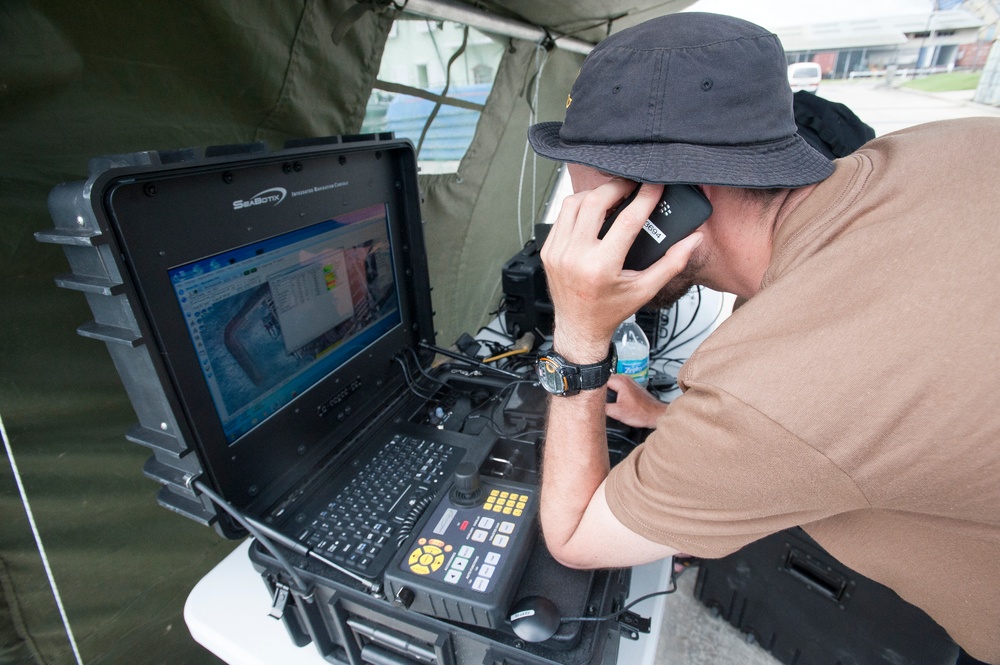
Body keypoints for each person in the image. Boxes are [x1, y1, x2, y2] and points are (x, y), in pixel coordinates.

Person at [526, 12, 999, 664]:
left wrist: (578, 336)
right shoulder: (948, 143)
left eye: (590, 212)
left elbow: (575, 534)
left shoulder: (777, 387)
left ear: (667, 206)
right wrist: (669, 419)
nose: (577, 236)